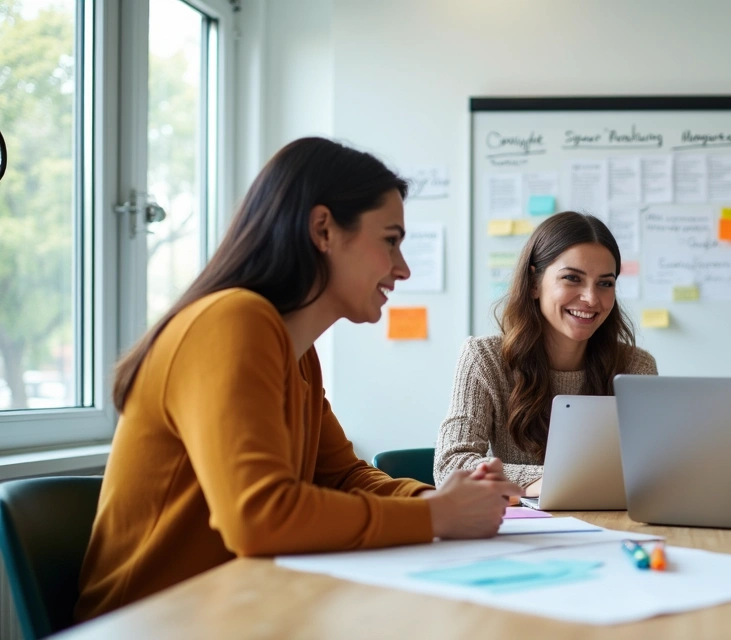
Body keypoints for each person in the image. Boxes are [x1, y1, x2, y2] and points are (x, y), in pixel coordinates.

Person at [77, 138, 521, 621]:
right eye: (390, 240)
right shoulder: (231, 320)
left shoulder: (298, 353)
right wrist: (438, 515)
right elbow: (258, 517)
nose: (403, 267)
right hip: (152, 623)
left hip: (237, 609)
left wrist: (444, 499)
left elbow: (343, 477)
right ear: (323, 229)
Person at [434, 211, 657, 496]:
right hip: (518, 532)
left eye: (605, 283)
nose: (590, 298)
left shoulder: (635, 366)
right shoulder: (483, 358)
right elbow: (451, 466)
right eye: (572, 278)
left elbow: (651, 468)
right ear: (534, 283)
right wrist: (548, 481)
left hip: (610, 526)